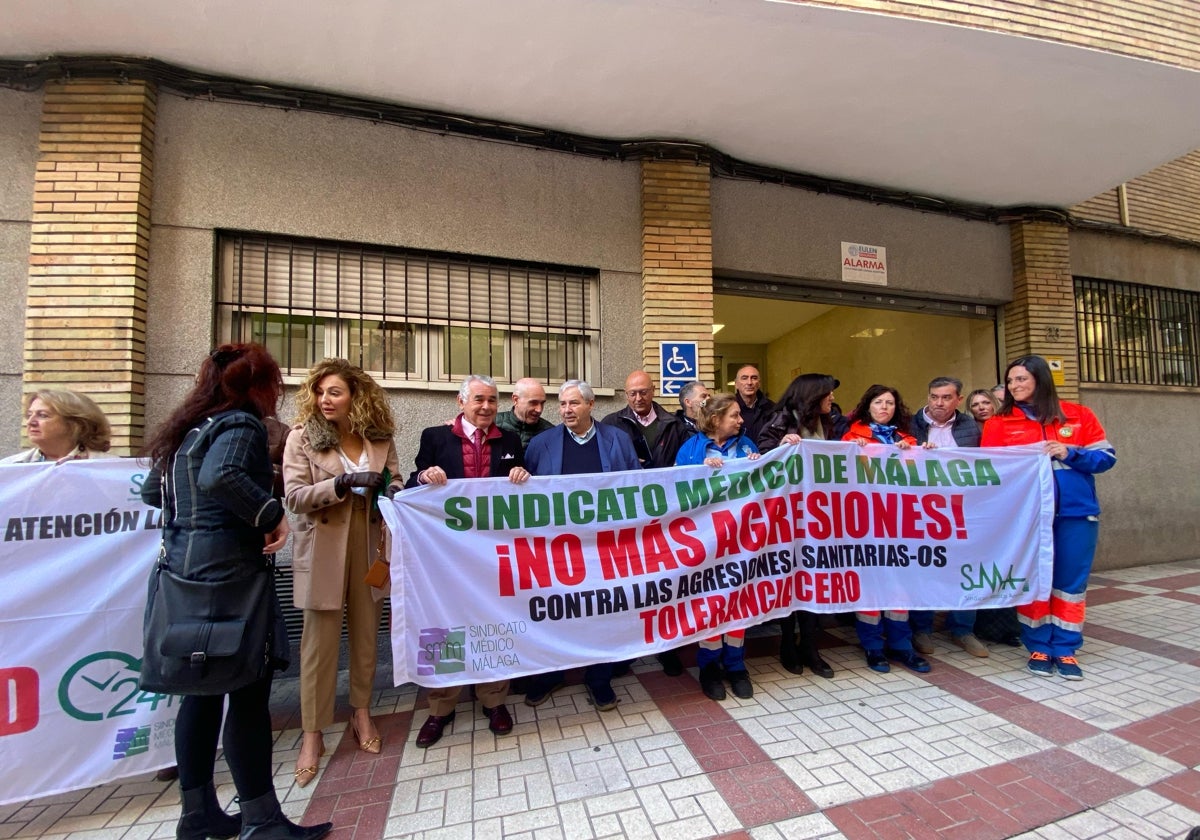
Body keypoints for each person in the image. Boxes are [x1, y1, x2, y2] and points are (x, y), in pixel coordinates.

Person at [142, 344, 332, 840]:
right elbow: (221, 475)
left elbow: (151, 491)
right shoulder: (242, 424)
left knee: (200, 697)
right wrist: (270, 516)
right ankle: (262, 821)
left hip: (181, 578)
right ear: (259, 385)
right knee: (248, 696)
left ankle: (198, 813)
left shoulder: (190, 428)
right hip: (229, 580)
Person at [282, 359, 403, 787]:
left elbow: (396, 483)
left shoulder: (378, 436)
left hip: (369, 543)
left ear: (356, 395)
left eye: (334, 392)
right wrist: (339, 486)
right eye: (319, 392)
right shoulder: (303, 438)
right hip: (324, 547)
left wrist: (391, 488)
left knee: (368, 635)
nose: (325, 400)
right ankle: (312, 734)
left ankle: (361, 713)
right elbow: (294, 497)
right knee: (319, 645)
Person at [405, 375, 530, 747]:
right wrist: (424, 476)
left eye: (492, 400)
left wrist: (522, 475)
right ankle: (441, 706)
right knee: (442, 623)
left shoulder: (508, 439)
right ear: (461, 402)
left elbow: (520, 484)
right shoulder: (435, 436)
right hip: (444, 555)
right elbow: (414, 480)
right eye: (478, 399)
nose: (486, 407)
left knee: (493, 621)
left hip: (491, 553)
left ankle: (493, 700)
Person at [981, 355, 1116, 680]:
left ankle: (1067, 649)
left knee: (1070, 584)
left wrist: (1070, 452)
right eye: (1011, 381)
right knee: (1035, 580)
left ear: (1040, 380)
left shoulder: (1079, 415)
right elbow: (987, 471)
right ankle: (1038, 645)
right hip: (1026, 518)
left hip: (1075, 514)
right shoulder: (999, 423)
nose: (1014, 386)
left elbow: (1106, 457)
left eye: (1021, 380)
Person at [523, 380, 641, 711]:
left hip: (605, 546)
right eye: (562, 404)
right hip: (558, 547)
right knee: (557, 610)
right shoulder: (542, 443)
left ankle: (599, 678)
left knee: (602, 609)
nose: (566, 410)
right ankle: (552, 674)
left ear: (590, 405)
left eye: (573, 403)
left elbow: (636, 485)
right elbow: (525, 497)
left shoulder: (617, 439)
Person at [675, 393, 761, 700]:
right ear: (716, 420)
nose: (741, 421)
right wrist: (702, 471)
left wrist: (757, 465)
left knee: (737, 602)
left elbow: (763, 486)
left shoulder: (747, 446)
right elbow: (677, 492)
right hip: (706, 542)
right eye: (735, 416)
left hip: (741, 541)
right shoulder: (690, 450)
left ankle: (736, 666)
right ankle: (710, 668)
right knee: (710, 604)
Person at [756, 373, 842, 679]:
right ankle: (787, 644)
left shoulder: (829, 421)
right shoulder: (781, 421)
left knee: (813, 579)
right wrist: (780, 445)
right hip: (788, 517)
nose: (831, 399)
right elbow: (761, 460)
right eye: (827, 394)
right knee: (790, 578)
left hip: (819, 517)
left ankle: (809, 645)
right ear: (812, 394)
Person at [842, 384, 930, 674]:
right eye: (878, 402)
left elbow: (922, 480)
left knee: (899, 588)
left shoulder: (907, 439)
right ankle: (873, 646)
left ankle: (902, 646)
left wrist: (919, 452)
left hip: (898, 525)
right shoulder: (851, 438)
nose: (884, 407)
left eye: (890, 403)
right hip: (865, 524)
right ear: (868, 406)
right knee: (870, 587)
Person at [908, 377, 988, 659]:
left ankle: (963, 628)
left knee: (966, 566)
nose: (939, 403)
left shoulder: (970, 427)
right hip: (922, 510)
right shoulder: (910, 424)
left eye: (945, 398)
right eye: (934, 397)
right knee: (926, 566)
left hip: (963, 509)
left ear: (958, 399)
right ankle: (921, 628)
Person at [601, 370, 685, 470]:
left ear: (653, 390)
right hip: (628, 484)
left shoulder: (674, 425)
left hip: (665, 483)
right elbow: (601, 459)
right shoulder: (611, 424)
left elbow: (688, 458)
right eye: (633, 394)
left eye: (643, 392)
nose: (638, 398)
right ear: (626, 394)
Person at [2, 389, 112, 463]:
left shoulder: (109, 467)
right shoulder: (9, 467)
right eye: (29, 415)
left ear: (75, 423)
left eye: (43, 415)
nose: (30, 422)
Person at [495, 377, 554, 449]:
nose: (539, 410)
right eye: (533, 403)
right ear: (516, 400)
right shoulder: (493, 425)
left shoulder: (550, 432)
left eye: (542, 403)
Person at [732, 365, 775, 444]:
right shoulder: (728, 408)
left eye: (754, 378)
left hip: (765, 454)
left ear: (759, 383)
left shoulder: (771, 408)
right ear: (736, 384)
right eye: (744, 378)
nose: (749, 382)